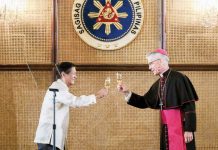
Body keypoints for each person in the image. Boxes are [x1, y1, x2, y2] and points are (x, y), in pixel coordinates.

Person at [117, 49, 198, 150]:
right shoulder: (159, 83)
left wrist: (189, 129)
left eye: (151, 63)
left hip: (181, 127)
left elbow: (189, 106)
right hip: (167, 128)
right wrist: (126, 92)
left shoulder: (179, 78)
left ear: (160, 61)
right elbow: (144, 101)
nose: (149, 67)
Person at [34, 62, 108, 150]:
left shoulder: (61, 88)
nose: (76, 76)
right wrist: (96, 96)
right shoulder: (57, 88)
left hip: (53, 139)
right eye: (74, 74)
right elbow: (75, 102)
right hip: (49, 138)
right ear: (63, 74)